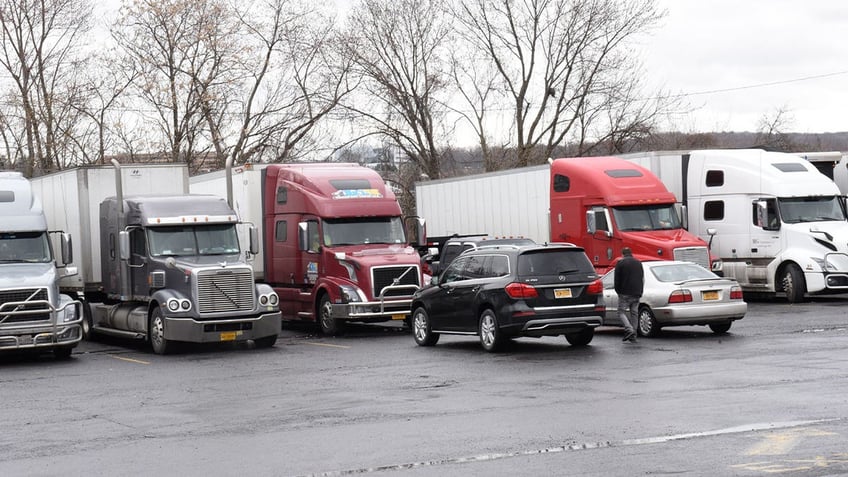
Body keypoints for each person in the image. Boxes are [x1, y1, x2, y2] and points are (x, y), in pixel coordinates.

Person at [614, 247, 644, 343]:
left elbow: (617, 280)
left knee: (621, 312)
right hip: (637, 292)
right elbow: (642, 278)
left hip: (625, 293)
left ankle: (629, 329)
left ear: (622, 254)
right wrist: (640, 291)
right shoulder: (638, 263)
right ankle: (633, 334)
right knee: (634, 313)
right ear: (631, 254)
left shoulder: (620, 263)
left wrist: (618, 291)